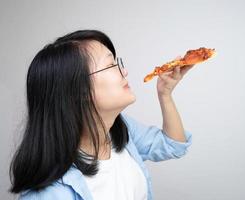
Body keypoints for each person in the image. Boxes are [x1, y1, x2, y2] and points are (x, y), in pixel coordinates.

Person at [9, 29, 193, 200]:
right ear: (79, 90)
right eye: (110, 65)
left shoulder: (120, 129)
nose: (124, 71)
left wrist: (165, 93)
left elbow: (173, 145)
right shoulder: (50, 194)